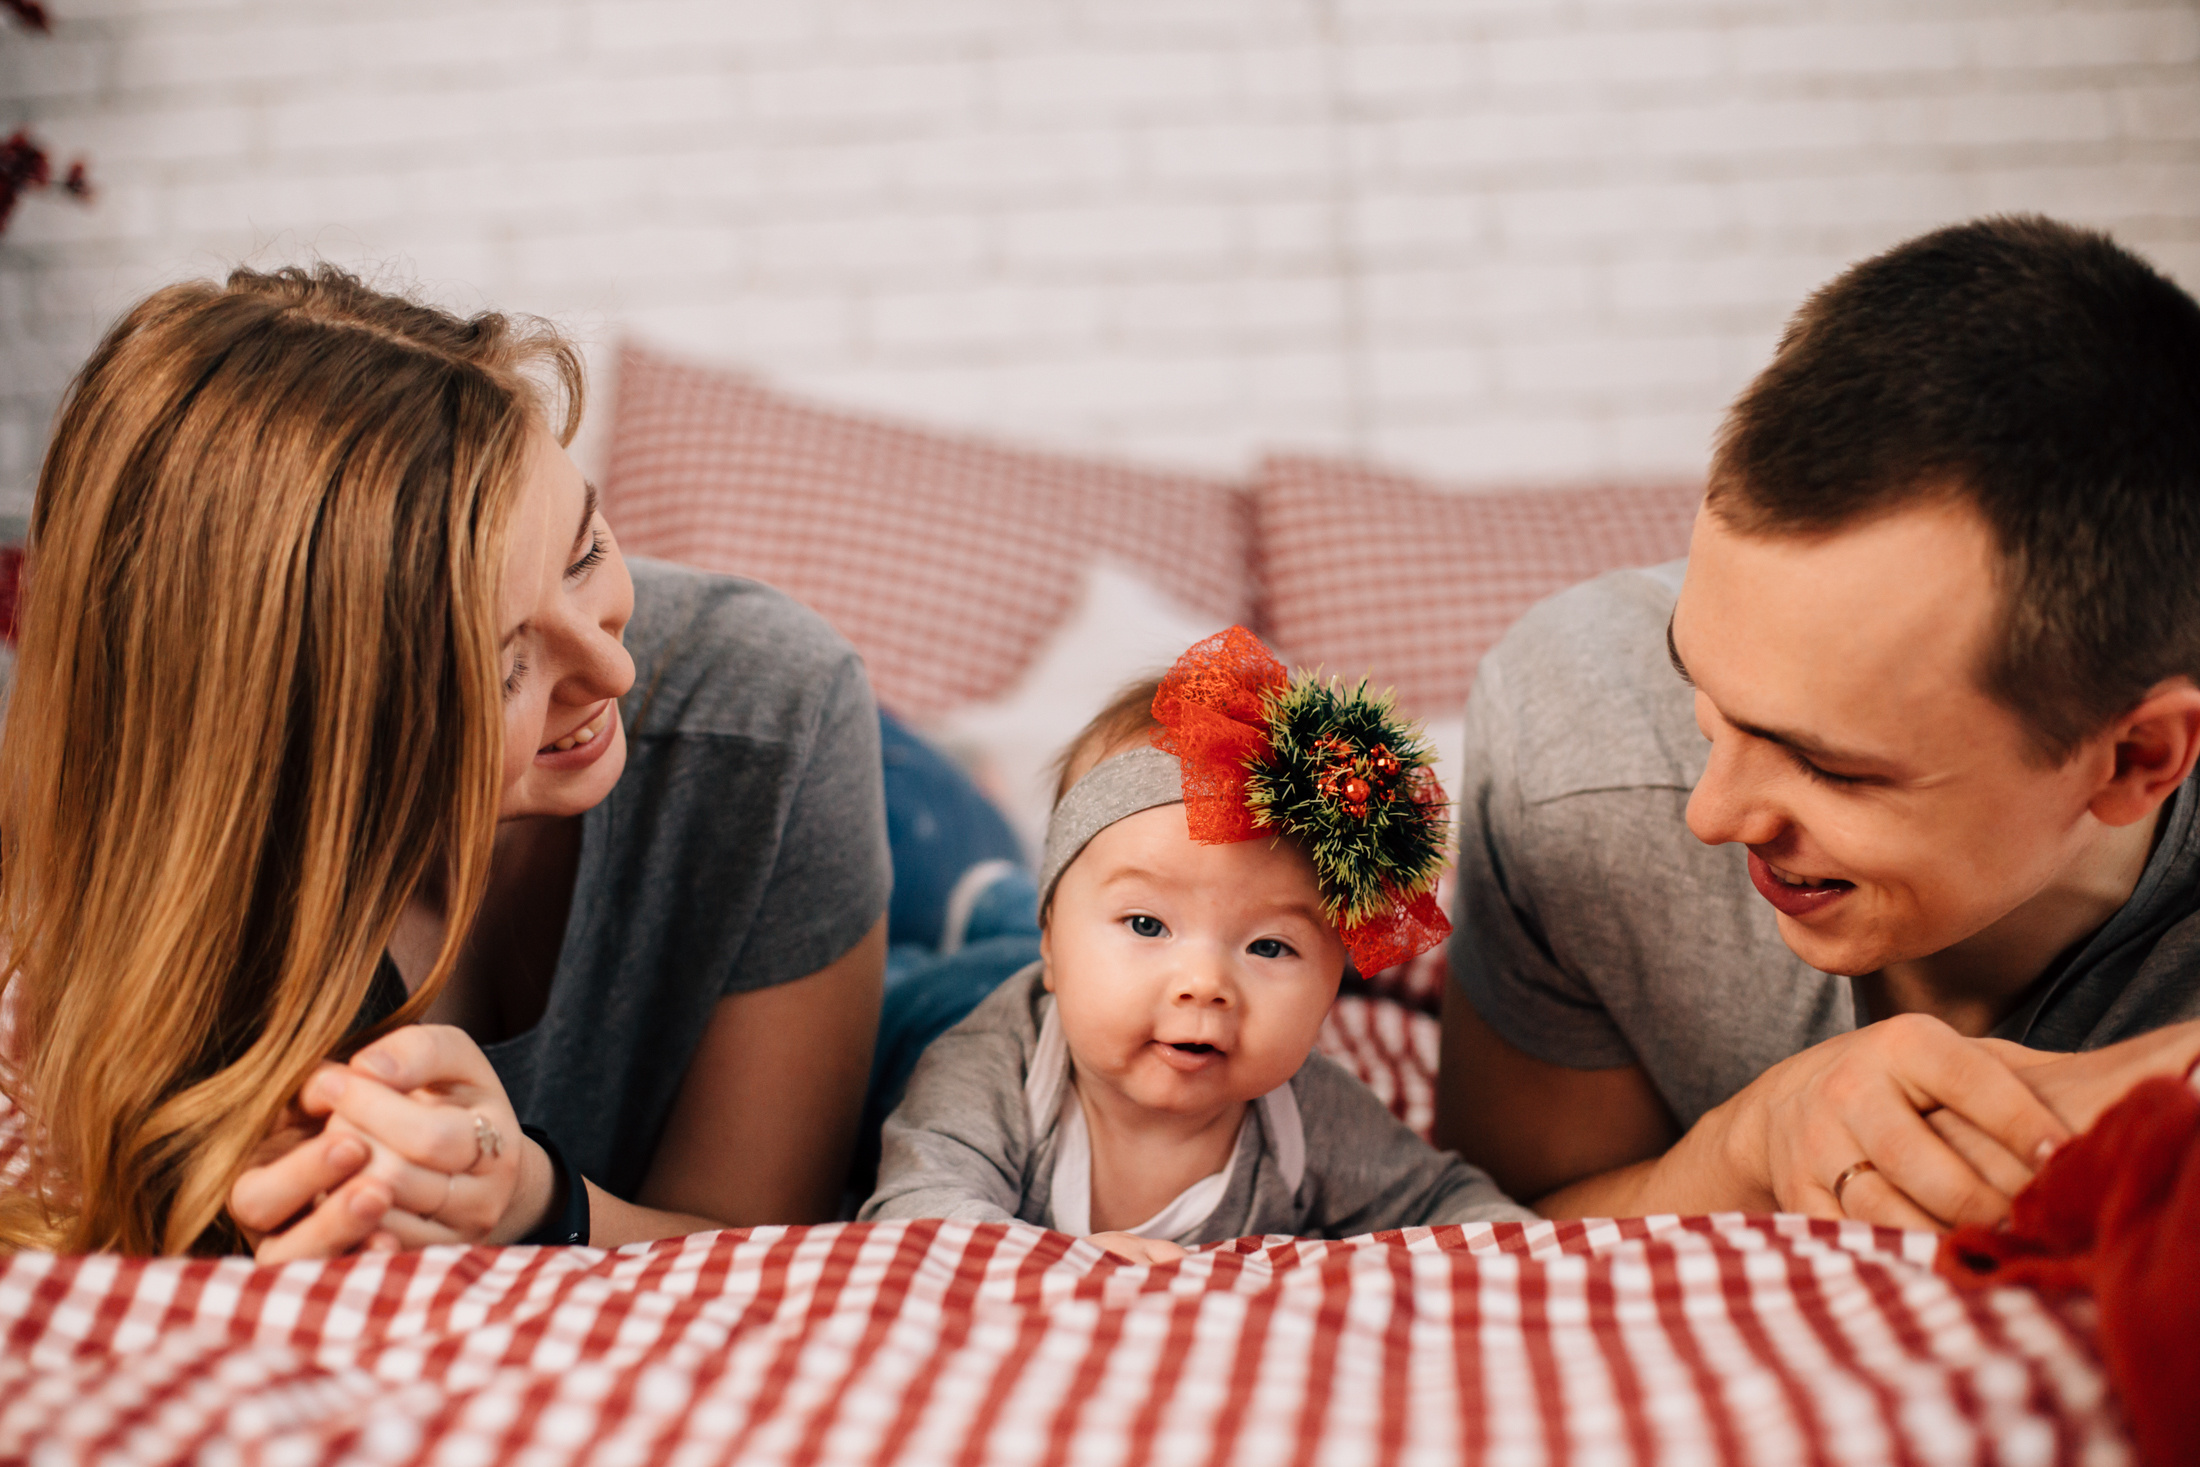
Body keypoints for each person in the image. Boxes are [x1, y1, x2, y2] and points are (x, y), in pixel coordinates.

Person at [0, 265, 889, 1257]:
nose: (612, 669)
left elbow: (760, 1242)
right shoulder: (176, 879)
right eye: (503, 666)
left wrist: (537, 1199)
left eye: (585, 552)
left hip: (838, 770)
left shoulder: (774, 712)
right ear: (306, 735)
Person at [1437, 215, 2200, 1231]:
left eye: (1830, 767)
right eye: (1697, 682)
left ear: (2134, 758)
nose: (1711, 814)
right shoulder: (1584, 728)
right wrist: (1748, 1148)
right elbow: (1499, 1221)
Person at [864, 632, 1532, 1263]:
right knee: (895, 976)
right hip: (940, 1002)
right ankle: (991, 902)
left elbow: (1443, 1200)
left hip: (1051, 942)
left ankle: (1018, 907)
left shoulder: (1307, 1116)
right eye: (1148, 924)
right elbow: (916, 1210)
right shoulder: (993, 1068)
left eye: (1270, 945)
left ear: (1337, 978)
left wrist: (1539, 1249)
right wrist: (1063, 1259)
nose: (1204, 982)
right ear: (1055, 939)